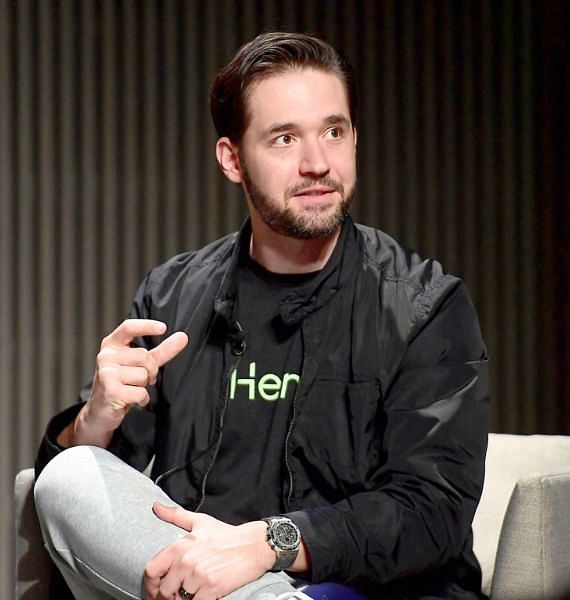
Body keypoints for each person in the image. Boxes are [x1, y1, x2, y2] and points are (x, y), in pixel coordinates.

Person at [33, 32, 489, 600]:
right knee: (68, 476)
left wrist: (270, 542)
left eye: (333, 131)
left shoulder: (424, 305)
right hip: (212, 584)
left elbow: (433, 512)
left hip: (365, 589)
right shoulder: (172, 296)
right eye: (283, 138)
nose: (318, 162)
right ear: (232, 159)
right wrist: (95, 419)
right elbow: (115, 503)